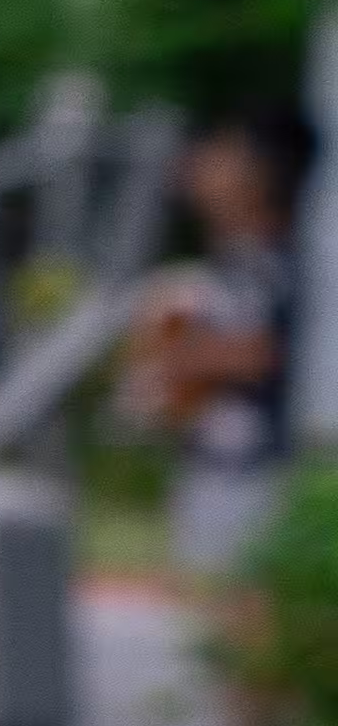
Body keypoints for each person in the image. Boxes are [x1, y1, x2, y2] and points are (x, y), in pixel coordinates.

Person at [132, 105, 312, 588]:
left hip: (257, 476)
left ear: (259, 175)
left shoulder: (272, 263)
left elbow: (262, 353)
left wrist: (176, 358)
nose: (199, 163)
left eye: (221, 153)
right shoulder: (227, 263)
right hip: (216, 469)